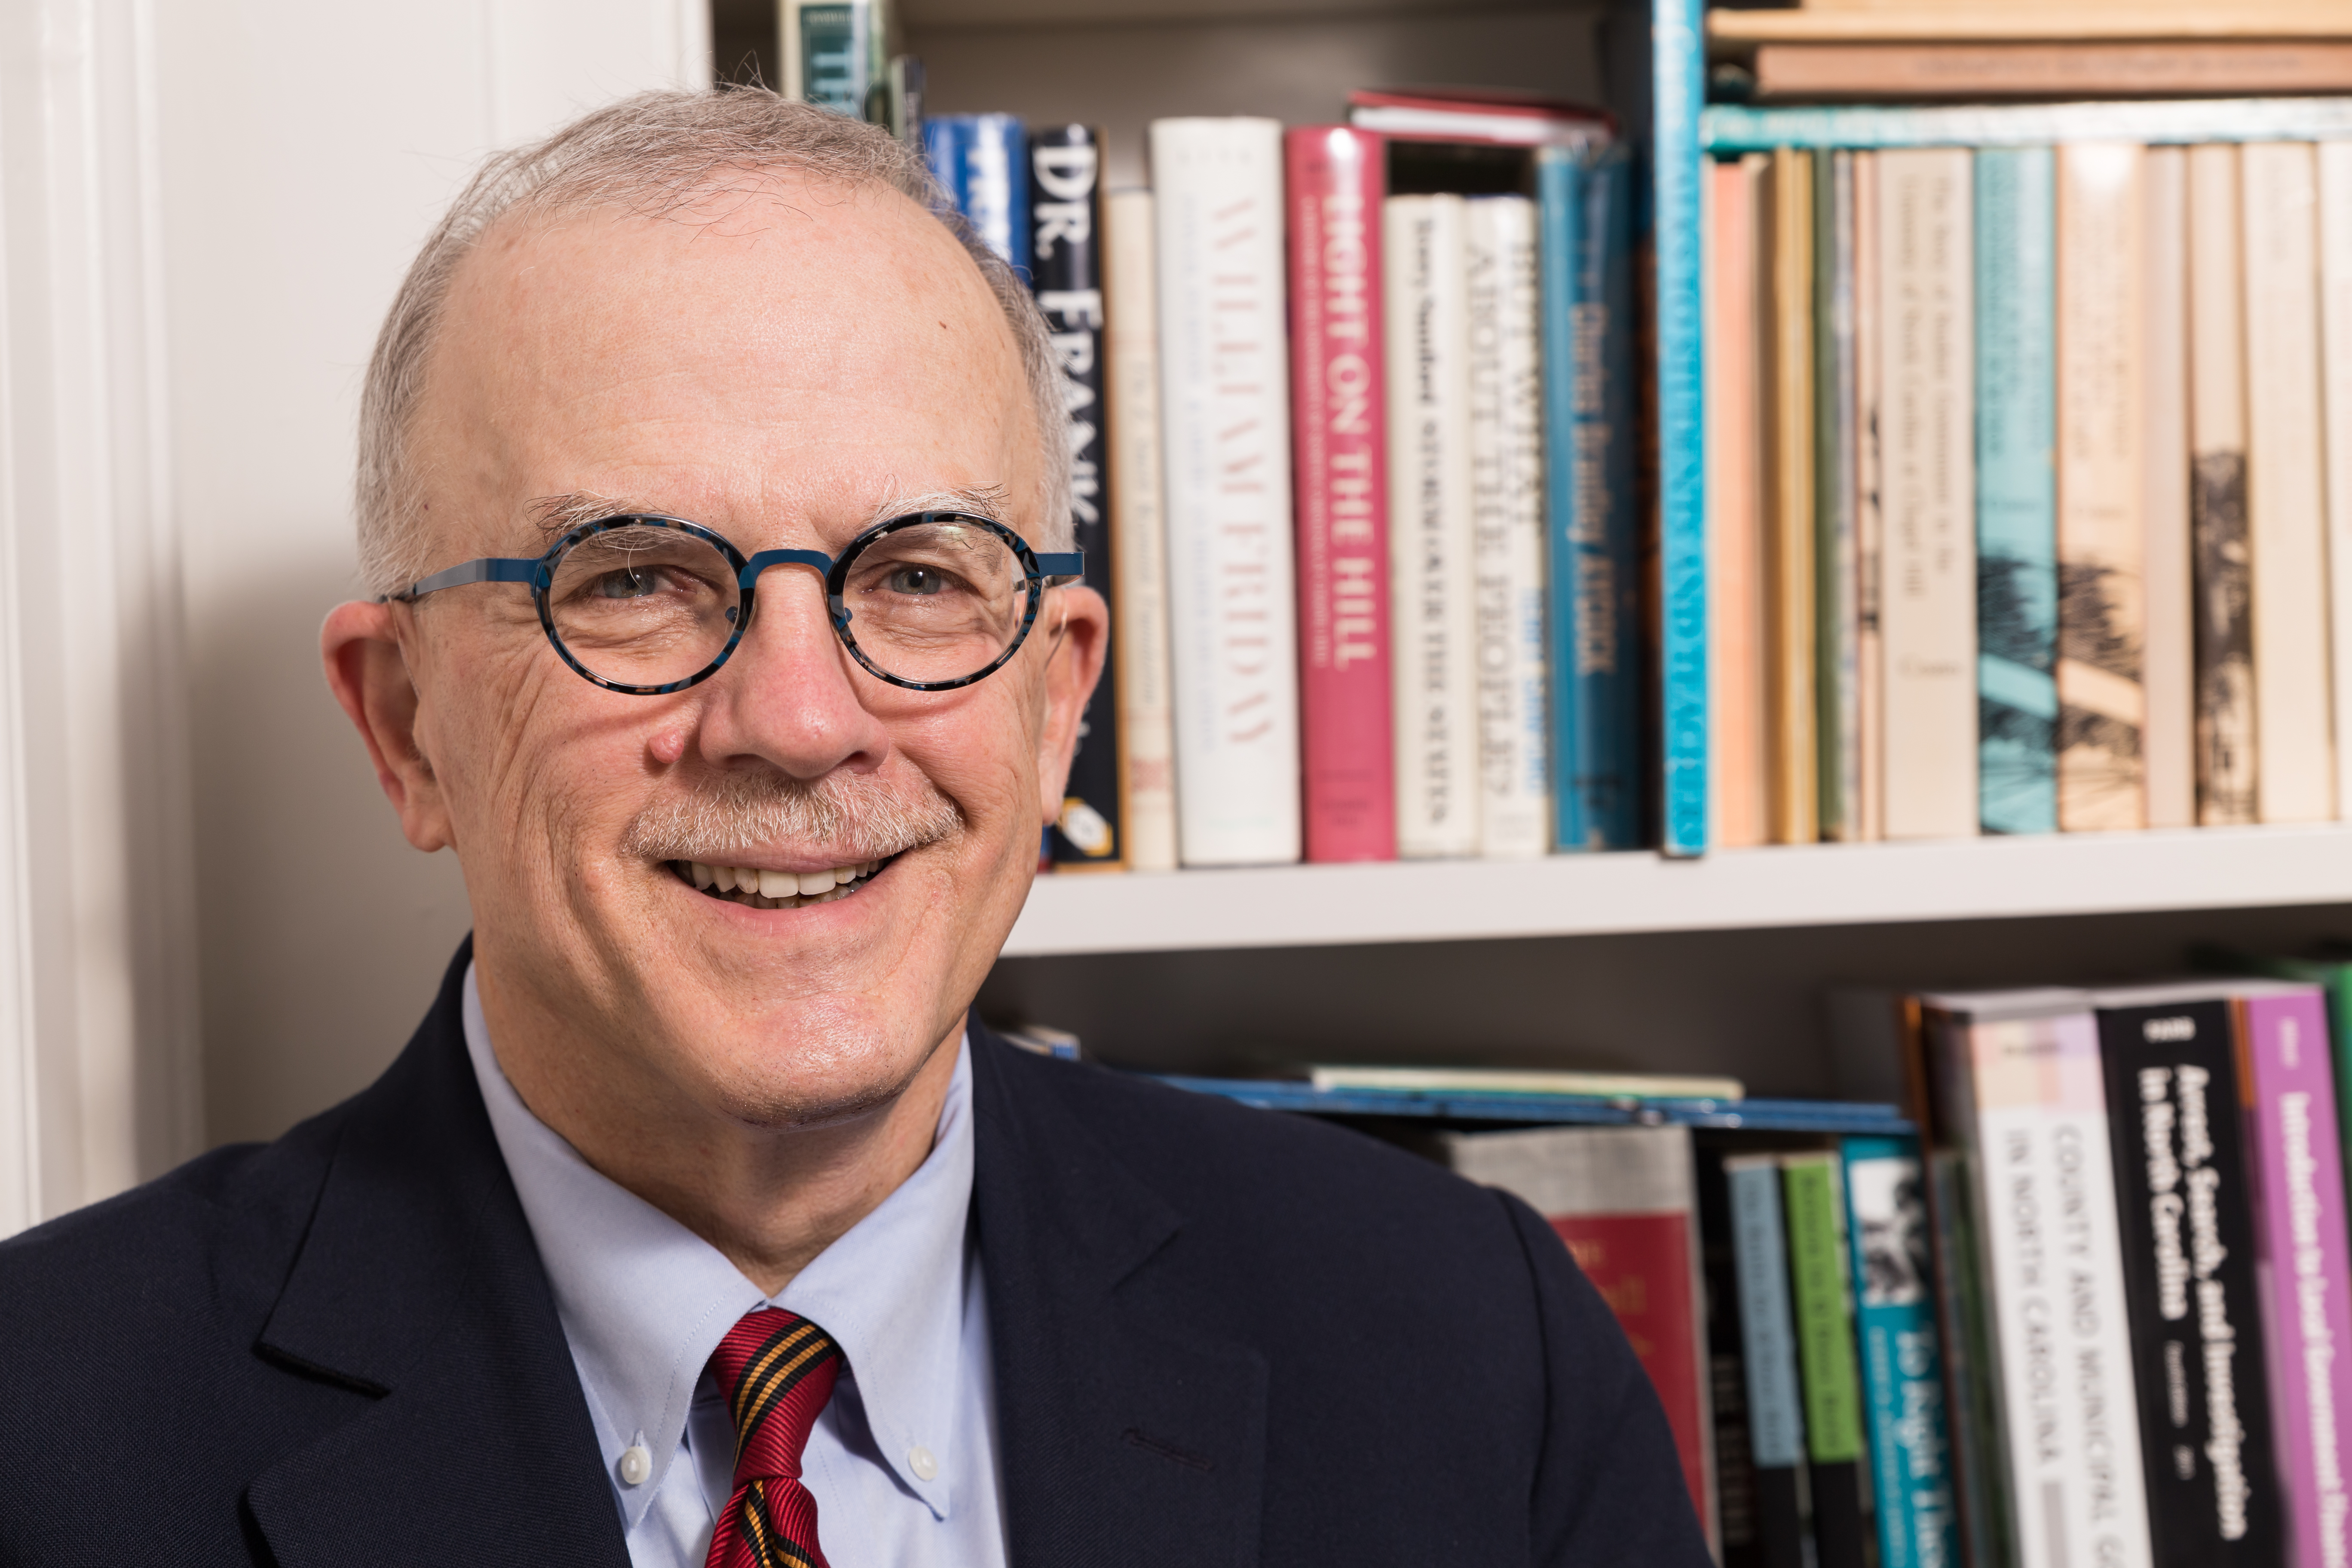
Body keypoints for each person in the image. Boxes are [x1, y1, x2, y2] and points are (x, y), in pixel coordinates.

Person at [0, 89, 1707, 1568]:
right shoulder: (44, 1437)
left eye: (915, 575)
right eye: (640, 583)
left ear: (1055, 703)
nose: (802, 721)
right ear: (404, 726)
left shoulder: (1469, 1350)